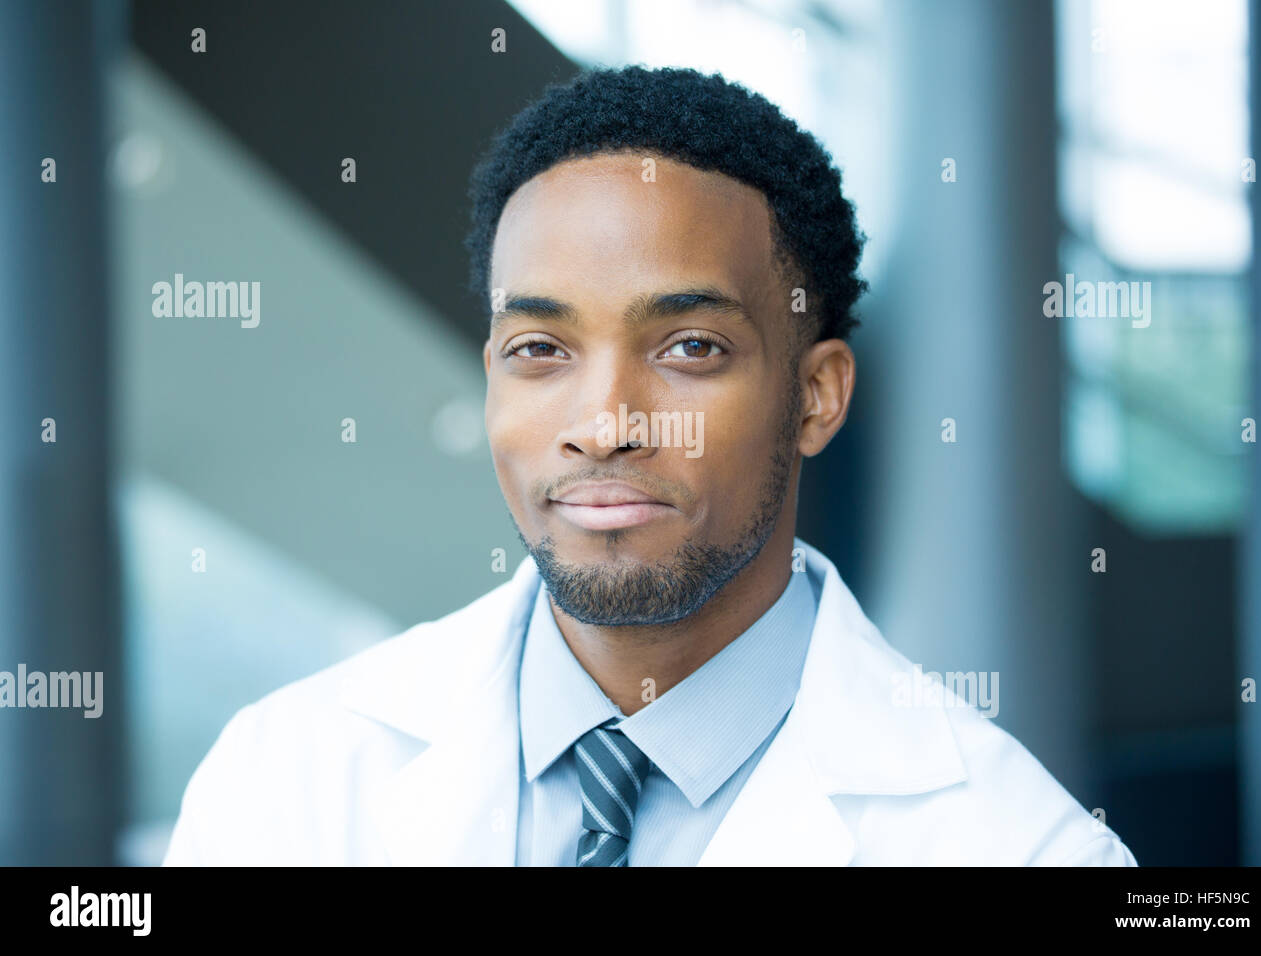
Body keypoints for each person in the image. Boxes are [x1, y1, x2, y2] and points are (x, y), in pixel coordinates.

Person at [163, 66, 1137, 866]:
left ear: (816, 395)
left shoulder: (1015, 847)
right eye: (539, 351)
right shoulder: (281, 777)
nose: (604, 424)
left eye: (689, 348)